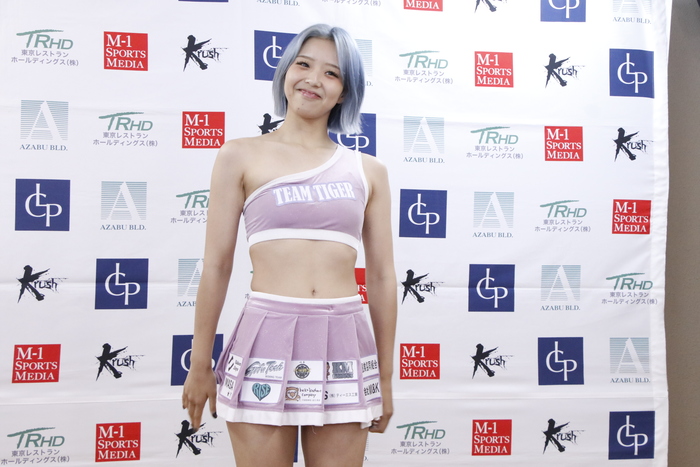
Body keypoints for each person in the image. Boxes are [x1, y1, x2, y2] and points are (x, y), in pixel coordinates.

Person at [182, 24, 397, 467]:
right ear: (285, 72)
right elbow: (217, 265)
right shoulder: (239, 155)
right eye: (303, 65)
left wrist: (387, 378)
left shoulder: (369, 170)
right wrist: (199, 362)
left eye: (332, 73)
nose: (313, 80)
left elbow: (380, 276)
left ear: (345, 92)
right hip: (264, 338)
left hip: (344, 343)